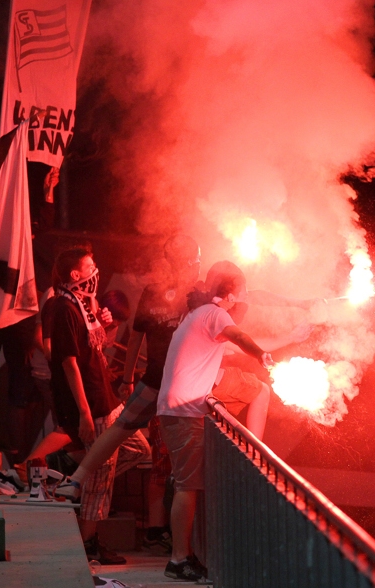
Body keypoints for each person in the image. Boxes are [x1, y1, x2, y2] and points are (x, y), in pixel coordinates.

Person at [157, 262, 312, 582]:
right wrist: (259, 354)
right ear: (229, 295)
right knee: (187, 487)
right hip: (182, 412)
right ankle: (178, 560)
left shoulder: (199, 313)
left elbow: (232, 342)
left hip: (181, 409)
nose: (245, 299)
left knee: (188, 484)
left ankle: (250, 455)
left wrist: (289, 331)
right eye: (241, 293)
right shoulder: (216, 315)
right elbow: (239, 336)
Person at [55, 233, 201, 540]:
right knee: (179, 469)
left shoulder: (174, 292)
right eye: (195, 259)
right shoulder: (187, 293)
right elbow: (134, 336)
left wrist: (129, 375)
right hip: (177, 386)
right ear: (189, 261)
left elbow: (131, 337)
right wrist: (128, 377)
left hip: (159, 381)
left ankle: (77, 475)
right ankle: (177, 549)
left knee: (128, 436)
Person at [49, 248, 149, 565]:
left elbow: (95, 347)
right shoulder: (62, 306)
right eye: (89, 267)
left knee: (138, 450)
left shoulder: (82, 303)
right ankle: (88, 542)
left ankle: (76, 484)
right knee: (101, 472)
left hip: (107, 397)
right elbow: (69, 363)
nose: (95, 271)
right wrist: (83, 413)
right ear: (74, 274)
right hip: (93, 402)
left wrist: (104, 324)